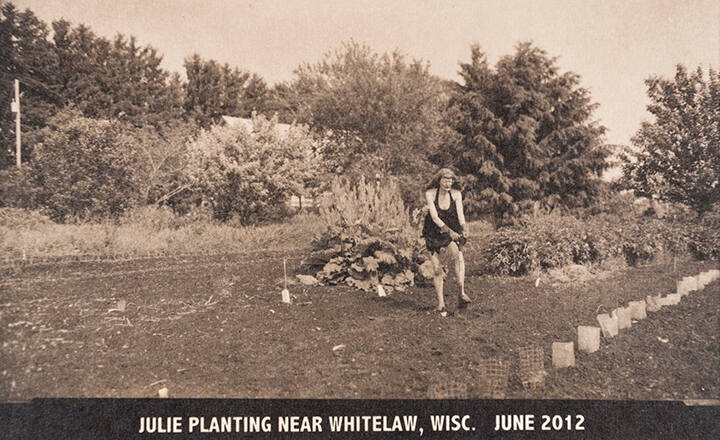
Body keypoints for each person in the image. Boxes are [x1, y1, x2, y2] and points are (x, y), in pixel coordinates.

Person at [422, 168, 471, 313]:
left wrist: (464, 228)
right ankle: (441, 304)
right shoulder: (430, 194)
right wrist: (450, 231)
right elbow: (435, 217)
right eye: (445, 180)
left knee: (457, 255)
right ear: (439, 180)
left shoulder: (456, 195)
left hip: (450, 229)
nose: (447, 183)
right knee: (437, 268)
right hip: (433, 230)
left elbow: (461, 215)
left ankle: (461, 291)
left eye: (450, 180)